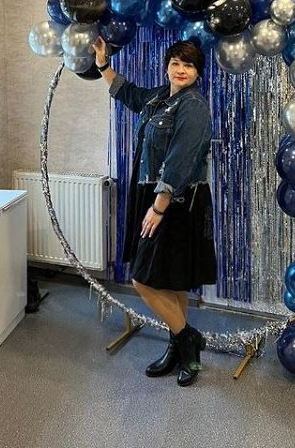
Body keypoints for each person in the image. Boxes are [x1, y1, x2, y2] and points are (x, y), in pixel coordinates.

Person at [92, 36, 217, 387]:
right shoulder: (160, 97)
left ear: (198, 72)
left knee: (142, 278)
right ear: (167, 67)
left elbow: (180, 161)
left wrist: (158, 208)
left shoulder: (193, 106)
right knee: (172, 279)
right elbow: (127, 93)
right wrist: (102, 63)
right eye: (176, 63)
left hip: (177, 202)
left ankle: (187, 338)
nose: (181, 70)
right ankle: (180, 347)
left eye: (189, 65)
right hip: (156, 195)